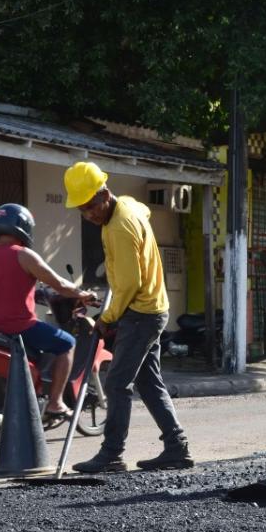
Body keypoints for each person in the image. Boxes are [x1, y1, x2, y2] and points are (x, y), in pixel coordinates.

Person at [63, 161, 194, 474]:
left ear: (105, 194)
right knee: (149, 383)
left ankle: (111, 454)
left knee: (118, 383)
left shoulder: (119, 227)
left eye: (92, 206)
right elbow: (142, 209)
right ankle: (177, 447)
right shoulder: (128, 208)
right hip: (153, 310)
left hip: (140, 313)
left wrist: (106, 319)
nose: (89, 215)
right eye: (82, 209)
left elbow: (130, 284)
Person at [0, 203, 96, 420]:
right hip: (18, 326)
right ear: (24, 226)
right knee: (67, 343)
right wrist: (82, 294)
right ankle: (56, 403)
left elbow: (2, 283)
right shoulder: (25, 255)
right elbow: (58, 283)